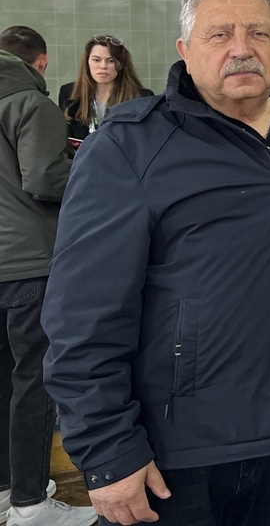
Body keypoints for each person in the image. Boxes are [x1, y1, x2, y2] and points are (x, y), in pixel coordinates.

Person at [40, 0, 270, 526]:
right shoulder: (129, 148)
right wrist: (106, 451)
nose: (241, 49)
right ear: (185, 50)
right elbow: (81, 317)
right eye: (219, 34)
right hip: (176, 459)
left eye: (258, 33)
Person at [0, 26, 95, 526]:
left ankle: (7, 487)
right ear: (42, 63)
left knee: (3, 381)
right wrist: (87, 164)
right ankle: (31, 503)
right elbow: (43, 178)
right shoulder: (31, 103)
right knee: (34, 383)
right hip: (28, 262)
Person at [58, 36, 152, 140]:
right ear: (87, 62)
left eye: (111, 61)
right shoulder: (69, 93)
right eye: (96, 60)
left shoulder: (141, 98)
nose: (103, 66)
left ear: (121, 64)